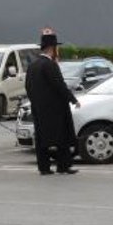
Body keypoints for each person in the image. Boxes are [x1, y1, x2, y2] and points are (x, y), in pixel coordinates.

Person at [24, 30, 80, 175]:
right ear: (51, 48)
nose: (57, 51)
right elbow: (59, 85)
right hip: (56, 109)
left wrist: (35, 102)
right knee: (62, 138)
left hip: (38, 109)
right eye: (56, 48)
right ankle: (63, 166)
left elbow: (28, 87)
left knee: (42, 138)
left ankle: (44, 167)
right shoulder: (50, 65)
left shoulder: (33, 65)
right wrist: (73, 99)